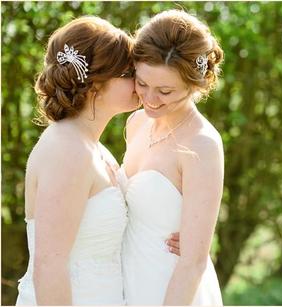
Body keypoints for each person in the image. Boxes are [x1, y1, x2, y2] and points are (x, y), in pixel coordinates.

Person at [16, 16, 179, 306]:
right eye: (129, 72)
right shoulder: (66, 149)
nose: (139, 81)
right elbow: (49, 266)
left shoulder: (93, 147)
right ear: (96, 83)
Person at [120, 9, 224, 305]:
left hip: (171, 289)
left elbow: (193, 263)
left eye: (165, 91)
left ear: (195, 85)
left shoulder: (202, 144)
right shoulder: (136, 123)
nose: (150, 100)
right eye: (142, 84)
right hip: (128, 281)